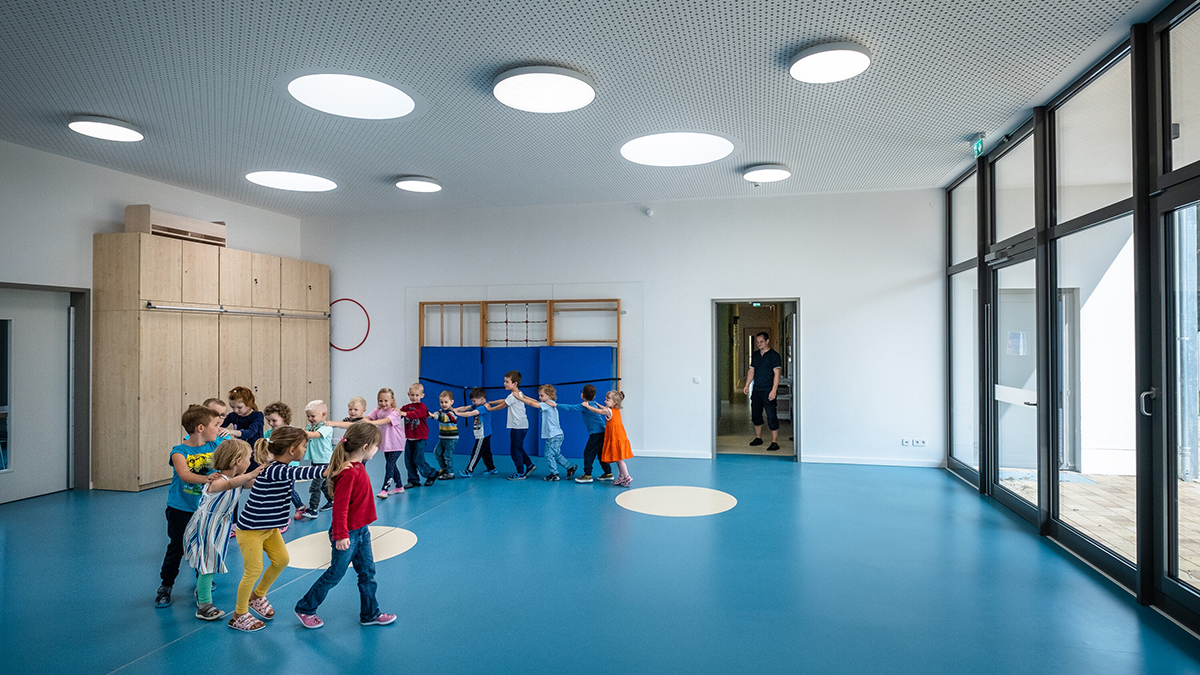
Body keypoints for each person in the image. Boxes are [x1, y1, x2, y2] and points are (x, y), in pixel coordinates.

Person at [294, 422, 396, 629]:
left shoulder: (357, 466)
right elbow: (339, 507)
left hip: (361, 531)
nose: (378, 450)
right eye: (377, 446)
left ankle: (370, 613)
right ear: (366, 447)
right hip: (347, 533)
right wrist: (340, 534)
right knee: (335, 574)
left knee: (367, 572)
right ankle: (305, 608)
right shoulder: (349, 473)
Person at [228, 426, 325, 632]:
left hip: (269, 528)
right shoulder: (275, 469)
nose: (305, 449)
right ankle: (238, 614)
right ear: (292, 449)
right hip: (252, 530)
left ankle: (257, 596)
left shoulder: (280, 468)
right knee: (253, 570)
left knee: (282, 560)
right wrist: (329, 469)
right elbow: (302, 472)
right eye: (303, 446)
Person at [183, 439, 262, 621]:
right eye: (248, 458)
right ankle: (204, 606)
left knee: (211, 561)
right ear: (236, 460)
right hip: (207, 524)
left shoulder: (236, 481)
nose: (250, 462)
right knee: (208, 564)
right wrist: (251, 474)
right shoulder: (219, 481)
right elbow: (230, 485)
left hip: (219, 526)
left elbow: (251, 483)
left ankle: (201, 591)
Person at [156, 405, 222, 608]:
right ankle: (166, 586)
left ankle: (201, 583)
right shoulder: (179, 451)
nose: (219, 429)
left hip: (206, 509)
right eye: (215, 425)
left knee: (204, 547)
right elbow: (184, 474)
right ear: (200, 428)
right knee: (177, 548)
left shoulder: (216, 446)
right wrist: (207, 478)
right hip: (180, 510)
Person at [514, 385, 576, 481]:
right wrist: (524, 397)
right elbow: (535, 401)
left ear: (549, 396)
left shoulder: (548, 404)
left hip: (553, 435)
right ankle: (570, 467)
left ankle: (554, 474)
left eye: (541, 395)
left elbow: (532, 404)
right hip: (556, 435)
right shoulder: (549, 403)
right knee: (555, 454)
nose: (539, 397)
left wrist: (519, 398)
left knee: (548, 455)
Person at [557, 384, 613, 483]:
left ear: (582, 395)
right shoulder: (594, 403)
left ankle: (587, 475)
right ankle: (608, 473)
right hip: (603, 432)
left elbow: (570, 408)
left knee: (588, 453)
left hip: (596, 434)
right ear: (594, 396)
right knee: (600, 454)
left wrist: (556, 405)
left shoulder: (584, 405)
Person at [487, 370, 535, 480]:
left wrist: (490, 409)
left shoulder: (514, 396)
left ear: (515, 383)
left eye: (507, 381)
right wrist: (491, 402)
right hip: (523, 425)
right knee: (518, 448)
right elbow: (503, 400)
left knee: (515, 451)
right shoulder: (518, 394)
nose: (504, 383)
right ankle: (529, 465)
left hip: (517, 426)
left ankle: (520, 473)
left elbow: (502, 405)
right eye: (504, 381)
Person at [358, 388, 406, 498]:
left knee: (389, 465)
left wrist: (371, 422)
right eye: (380, 400)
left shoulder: (395, 413)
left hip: (396, 443)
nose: (383, 403)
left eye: (386, 401)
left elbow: (385, 421)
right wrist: (360, 418)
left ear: (392, 401)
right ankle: (399, 486)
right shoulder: (378, 411)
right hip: (387, 443)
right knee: (392, 465)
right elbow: (367, 417)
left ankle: (385, 489)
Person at [263, 401, 305, 525]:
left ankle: (297, 508)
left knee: (288, 489)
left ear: (284, 418)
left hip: (289, 466)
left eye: (274, 421)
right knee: (277, 490)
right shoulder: (268, 434)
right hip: (275, 466)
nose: (270, 424)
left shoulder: (291, 432)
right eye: (268, 421)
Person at [584, 390, 634, 487]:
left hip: (616, 439)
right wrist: (598, 404)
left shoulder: (608, 411)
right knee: (618, 460)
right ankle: (621, 476)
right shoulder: (615, 410)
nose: (605, 401)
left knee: (620, 460)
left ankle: (627, 477)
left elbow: (597, 411)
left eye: (607, 399)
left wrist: (587, 406)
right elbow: (604, 408)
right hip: (620, 437)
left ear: (614, 402)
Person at [743, 331, 782, 451]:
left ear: (767, 341)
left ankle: (774, 441)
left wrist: (774, 390)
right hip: (757, 390)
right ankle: (758, 437)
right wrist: (747, 384)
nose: (759, 344)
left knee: (771, 415)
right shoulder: (755, 355)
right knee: (756, 414)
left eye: (761, 342)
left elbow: (777, 374)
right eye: (757, 342)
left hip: (768, 390)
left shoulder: (774, 356)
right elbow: (751, 371)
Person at [301, 400, 335, 519]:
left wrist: (300, 432)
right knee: (323, 484)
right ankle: (332, 500)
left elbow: (315, 435)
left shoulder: (326, 427)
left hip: (324, 461)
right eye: (308, 416)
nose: (310, 418)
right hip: (315, 460)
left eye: (313, 416)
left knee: (315, 486)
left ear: (323, 415)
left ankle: (313, 509)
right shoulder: (311, 427)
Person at [400, 383, 438, 488]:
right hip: (409, 438)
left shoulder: (422, 407)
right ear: (408, 394)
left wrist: (404, 414)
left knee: (418, 459)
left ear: (422, 395)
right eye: (412, 395)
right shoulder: (406, 407)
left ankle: (432, 473)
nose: (414, 397)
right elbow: (398, 414)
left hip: (420, 438)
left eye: (417, 395)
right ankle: (413, 480)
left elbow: (415, 414)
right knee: (408, 460)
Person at [453, 388, 496, 477]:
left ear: (481, 398)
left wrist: (458, 414)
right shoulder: (477, 405)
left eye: (474, 401)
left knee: (476, 453)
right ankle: (491, 468)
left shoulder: (483, 407)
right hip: (484, 434)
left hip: (483, 435)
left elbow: (471, 413)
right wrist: (454, 409)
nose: (473, 402)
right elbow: (466, 408)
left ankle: (469, 470)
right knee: (486, 452)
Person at [222, 386, 265, 464]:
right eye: (232, 407)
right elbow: (221, 425)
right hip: (241, 452)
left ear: (249, 404)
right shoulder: (233, 415)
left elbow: (250, 432)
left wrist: (231, 431)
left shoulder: (257, 415)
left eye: (239, 407)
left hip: (255, 453)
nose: (235, 410)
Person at [428, 391, 459, 479]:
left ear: (451, 402)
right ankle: (444, 468)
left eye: (446, 402)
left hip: (451, 439)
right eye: (441, 402)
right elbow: (436, 414)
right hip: (442, 438)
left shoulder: (452, 413)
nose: (444, 404)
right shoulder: (440, 411)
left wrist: (435, 416)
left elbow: (444, 418)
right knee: (437, 453)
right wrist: (429, 415)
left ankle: (450, 473)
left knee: (447, 455)